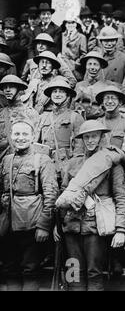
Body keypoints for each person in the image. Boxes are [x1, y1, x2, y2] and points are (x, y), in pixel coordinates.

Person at [56, 120, 125, 290]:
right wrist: (57, 225)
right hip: (70, 227)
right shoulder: (74, 162)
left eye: (94, 136)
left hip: (96, 227)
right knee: (72, 271)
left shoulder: (111, 162)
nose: (90, 140)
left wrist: (121, 230)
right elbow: (64, 192)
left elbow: (121, 198)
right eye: (86, 137)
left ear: (101, 137)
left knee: (94, 273)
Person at [0, 118, 58, 291]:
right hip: (8, 223)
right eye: (16, 134)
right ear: (11, 136)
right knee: (10, 269)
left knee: (30, 270)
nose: (20, 137)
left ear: (33, 136)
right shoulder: (6, 160)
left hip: (31, 223)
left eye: (25, 134)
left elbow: (50, 195)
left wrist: (44, 226)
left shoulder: (42, 160)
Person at [35, 77, 85, 180]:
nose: (57, 94)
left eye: (61, 92)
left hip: (66, 167)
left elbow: (79, 151)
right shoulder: (43, 117)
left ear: (67, 95)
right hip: (45, 167)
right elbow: (35, 144)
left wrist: (71, 172)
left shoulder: (75, 117)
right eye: (54, 92)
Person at [0, 75, 39, 156]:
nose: (7, 90)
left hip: (23, 158)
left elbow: (35, 139)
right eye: (5, 87)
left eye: (11, 87)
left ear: (19, 89)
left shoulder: (29, 112)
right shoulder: (2, 113)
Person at [73, 51, 113, 120]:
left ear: (101, 67)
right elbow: (72, 107)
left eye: (95, 64)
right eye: (89, 64)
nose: (92, 67)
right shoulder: (79, 85)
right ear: (86, 66)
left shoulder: (107, 86)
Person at [96, 86, 125, 152]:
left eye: (113, 98)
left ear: (120, 102)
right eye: (106, 98)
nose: (110, 101)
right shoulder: (97, 123)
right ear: (102, 103)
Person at [60, 14, 88, 81]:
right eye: (68, 23)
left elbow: (84, 54)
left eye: (73, 23)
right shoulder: (62, 35)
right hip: (63, 66)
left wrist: (75, 64)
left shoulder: (81, 37)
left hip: (74, 68)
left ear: (76, 24)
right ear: (65, 24)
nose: (70, 25)